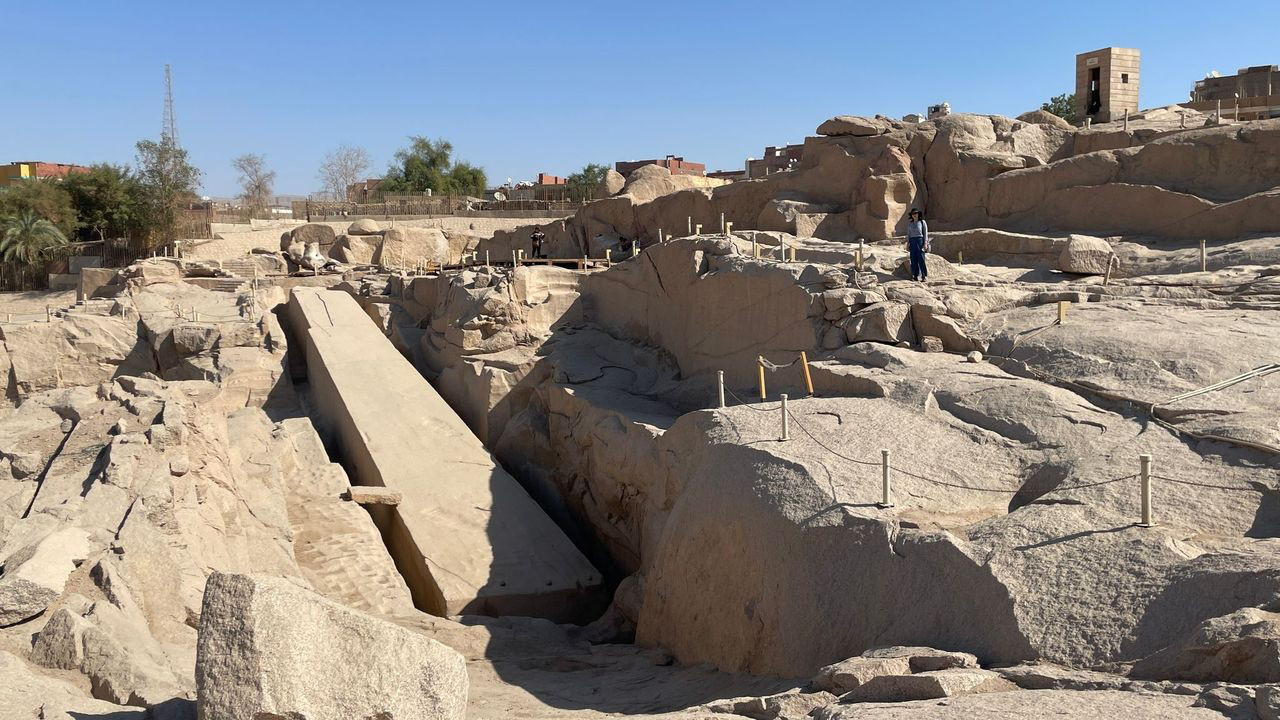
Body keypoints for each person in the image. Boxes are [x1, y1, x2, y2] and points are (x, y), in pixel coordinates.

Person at [905, 208, 929, 282]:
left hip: (920, 241)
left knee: (921, 258)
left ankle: (924, 276)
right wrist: (907, 243)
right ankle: (915, 275)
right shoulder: (910, 223)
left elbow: (925, 233)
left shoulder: (922, 222)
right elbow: (909, 234)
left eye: (916, 213)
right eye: (913, 214)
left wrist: (925, 243)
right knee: (913, 259)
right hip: (912, 241)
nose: (914, 215)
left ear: (918, 214)